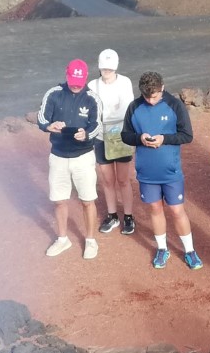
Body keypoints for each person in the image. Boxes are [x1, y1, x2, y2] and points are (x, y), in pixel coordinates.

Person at [121, 71, 202, 271]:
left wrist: (164, 139)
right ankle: (162, 248)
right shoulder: (134, 107)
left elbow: (186, 135)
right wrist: (139, 138)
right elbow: (125, 135)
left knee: (176, 210)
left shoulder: (175, 105)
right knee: (155, 209)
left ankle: (190, 251)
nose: (150, 100)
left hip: (171, 171)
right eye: (147, 96)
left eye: (154, 96)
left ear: (162, 88)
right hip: (146, 173)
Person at [38, 58, 102, 260]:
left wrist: (87, 134)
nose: (76, 85)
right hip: (58, 156)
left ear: (85, 78)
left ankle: (91, 240)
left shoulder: (92, 98)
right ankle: (62, 238)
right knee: (59, 200)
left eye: (80, 81)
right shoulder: (54, 94)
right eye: (73, 81)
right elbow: (41, 118)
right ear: (67, 75)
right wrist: (50, 125)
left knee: (87, 200)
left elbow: (97, 125)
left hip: (83, 156)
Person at [88, 49, 136, 235]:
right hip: (100, 136)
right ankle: (112, 215)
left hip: (120, 135)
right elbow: (92, 111)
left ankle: (129, 216)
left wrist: (106, 115)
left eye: (109, 68)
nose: (106, 71)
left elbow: (126, 107)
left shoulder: (124, 82)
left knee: (123, 179)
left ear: (115, 67)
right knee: (107, 179)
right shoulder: (92, 85)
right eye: (104, 68)